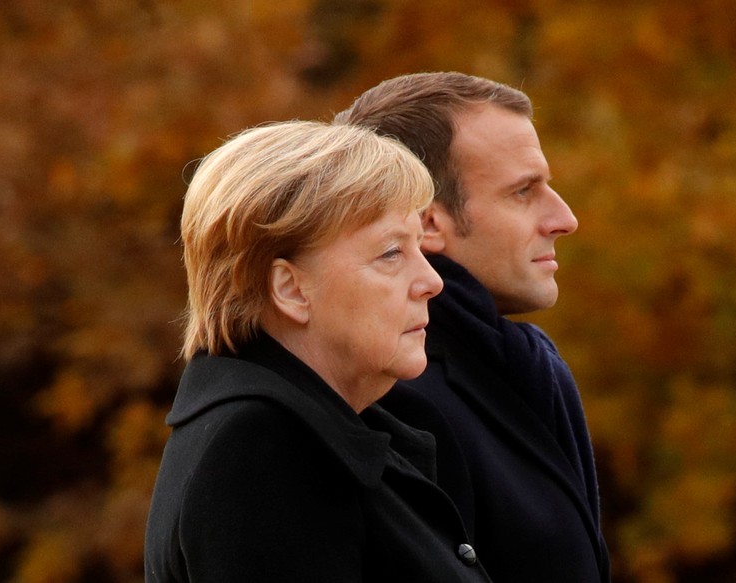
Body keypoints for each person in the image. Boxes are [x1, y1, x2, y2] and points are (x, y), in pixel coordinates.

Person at [144, 120, 493, 583]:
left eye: (419, 248)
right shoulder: (261, 450)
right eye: (391, 253)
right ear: (290, 289)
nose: (432, 281)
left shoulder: (311, 429)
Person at [335, 72, 611, 583]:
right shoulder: (387, 389)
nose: (564, 218)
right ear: (429, 224)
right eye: (523, 192)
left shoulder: (523, 365)